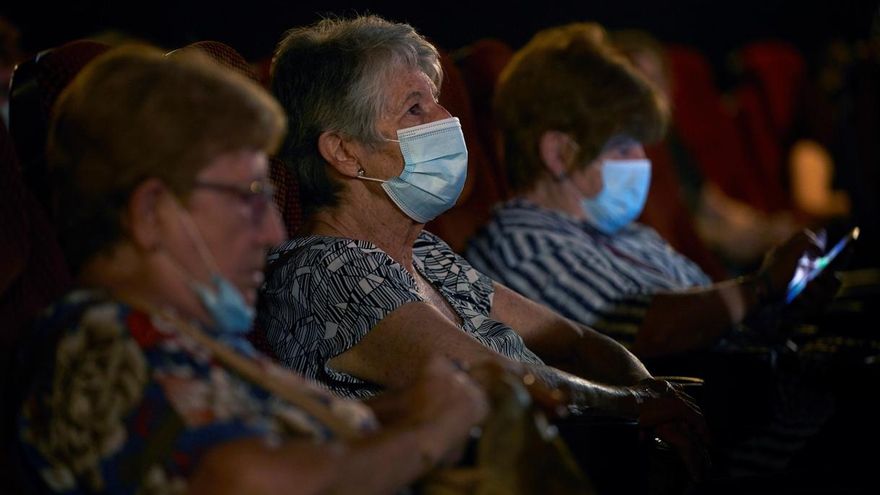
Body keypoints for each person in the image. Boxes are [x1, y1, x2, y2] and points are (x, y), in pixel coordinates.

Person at [14, 44, 490, 494]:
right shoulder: (93, 339)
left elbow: (283, 442)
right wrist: (429, 434)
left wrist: (403, 409)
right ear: (152, 212)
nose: (272, 234)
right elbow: (240, 479)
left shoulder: (194, 336)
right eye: (249, 198)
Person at [258, 15, 707, 477]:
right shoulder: (325, 272)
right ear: (345, 152)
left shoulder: (428, 254)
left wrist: (650, 390)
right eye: (415, 109)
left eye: (436, 102)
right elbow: (503, 381)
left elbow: (573, 341)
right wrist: (637, 405)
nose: (447, 119)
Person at [464, 22, 829, 359]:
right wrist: (761, 288)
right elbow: (637, 334)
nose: (642, 161)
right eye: (623, 147)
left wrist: (787, 299)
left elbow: (722, 316)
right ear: (558, 153)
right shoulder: (521, 245)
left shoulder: (635, 237)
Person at [610, 29, 802, 272]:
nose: (652, 94)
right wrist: (753, 238)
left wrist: (766, 227)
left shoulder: (670, 137)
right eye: (640, 83)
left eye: (657, 79)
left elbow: (710, 201)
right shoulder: (625, 154)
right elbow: (678, 232)